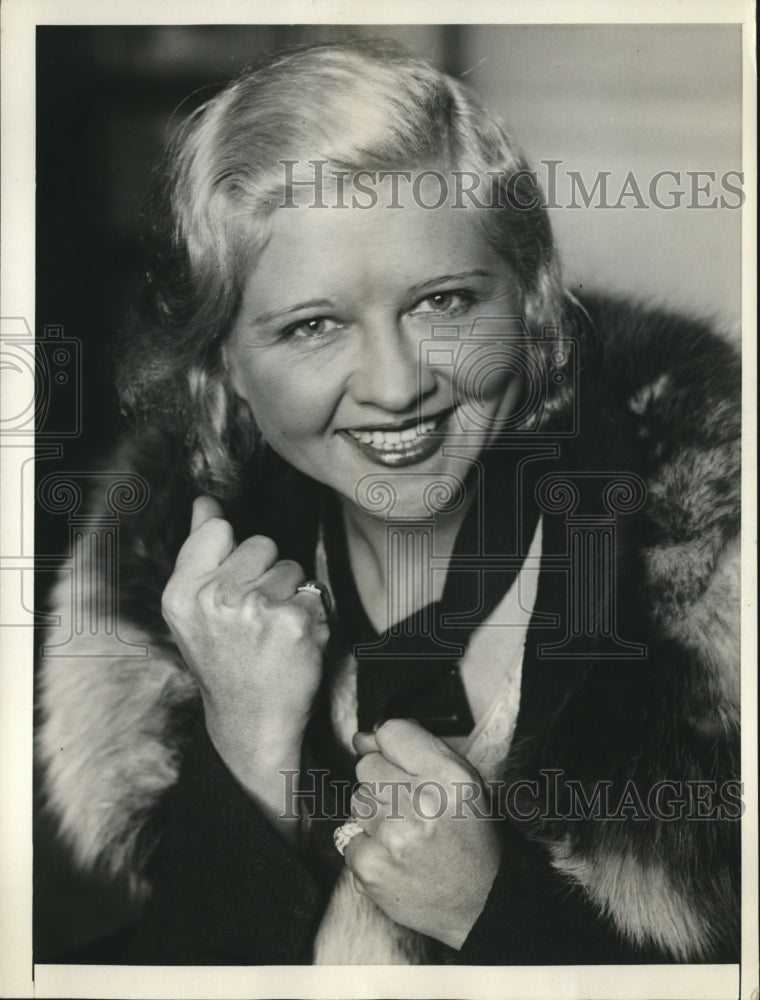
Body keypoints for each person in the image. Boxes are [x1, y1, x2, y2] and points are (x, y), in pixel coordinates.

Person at [36, 39, 741, 965]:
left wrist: (493, 908)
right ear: (223, 370)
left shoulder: (718, 560)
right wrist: (244, 746)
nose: (398, 384)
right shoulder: (152, 610)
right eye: (313, 325)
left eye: (444, 302)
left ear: (529, 304)